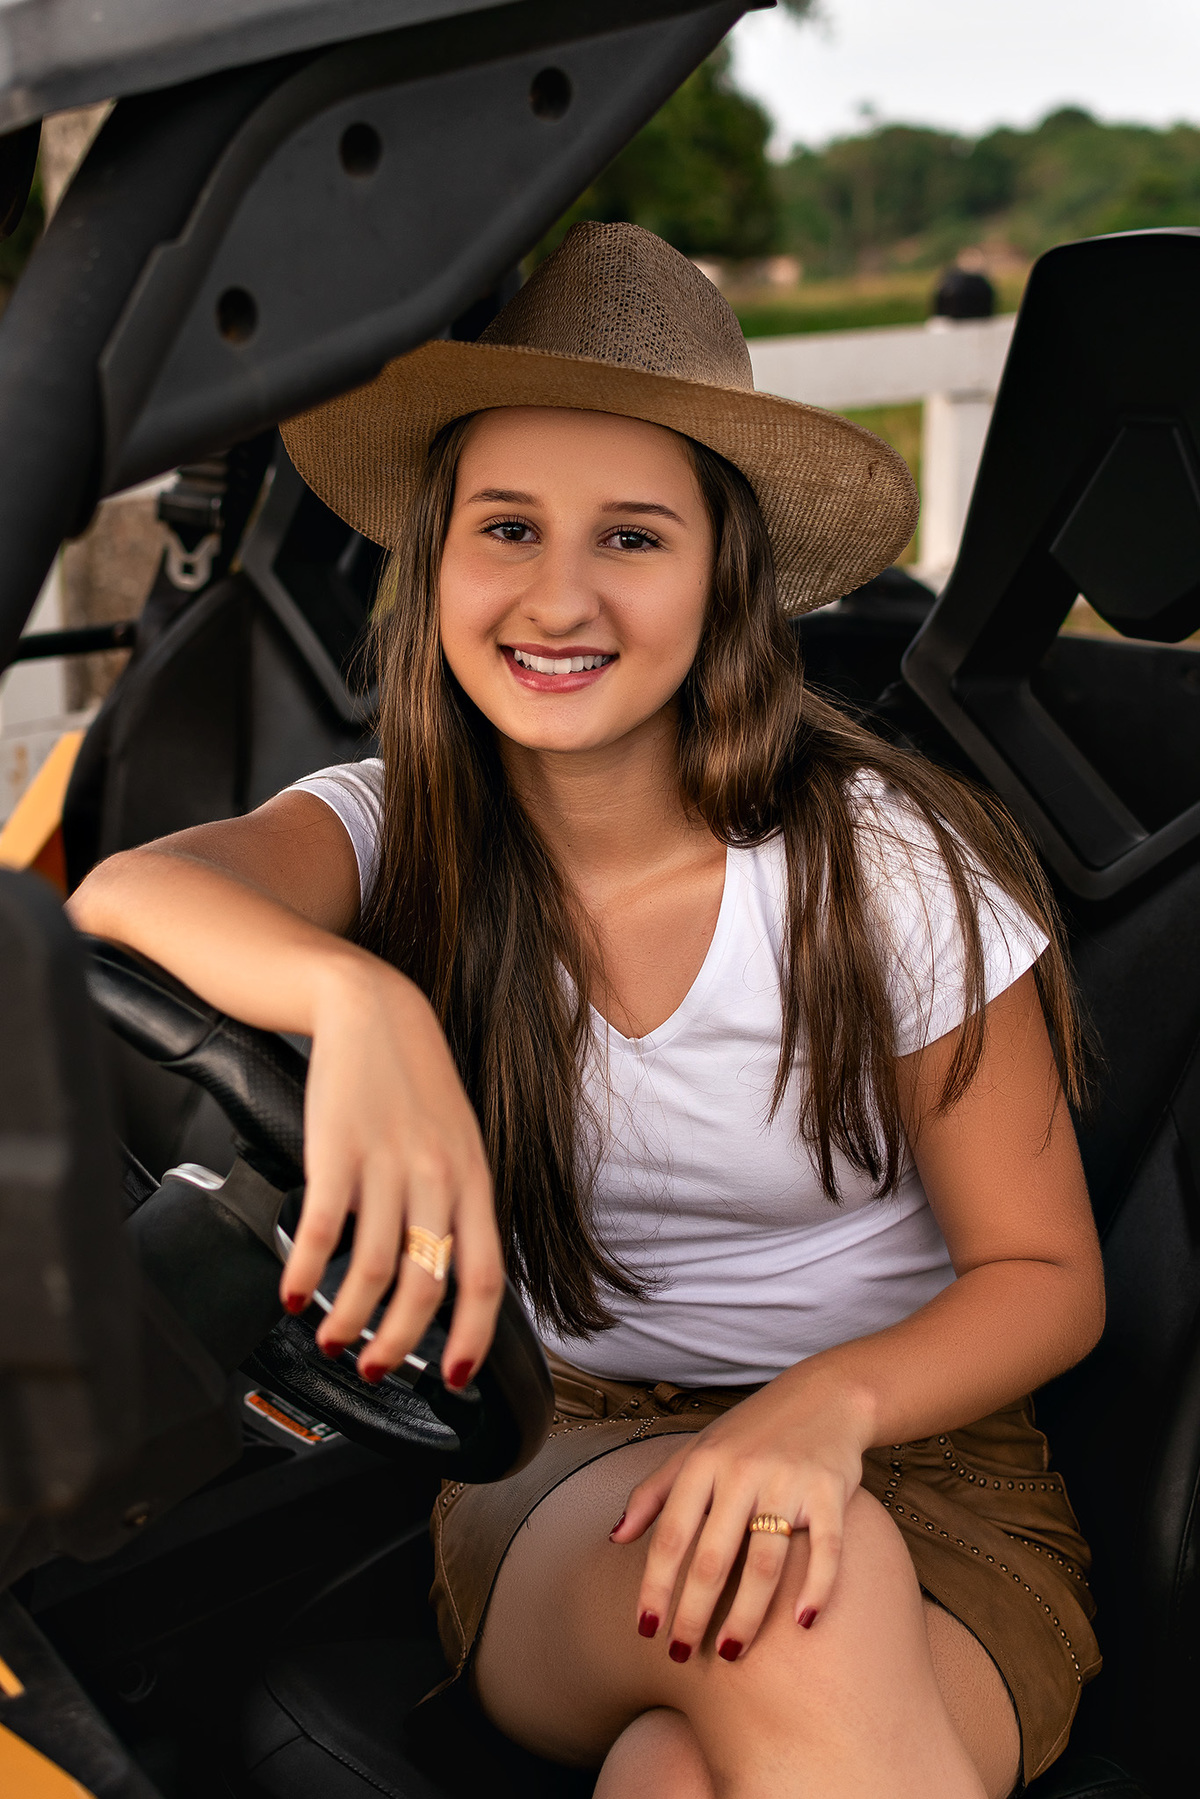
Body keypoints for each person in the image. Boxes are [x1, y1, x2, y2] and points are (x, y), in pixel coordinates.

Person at [70, 223, 1104, 1799]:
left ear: (723, 576)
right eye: (507, 528)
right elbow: (123, 893)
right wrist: (363, 1002)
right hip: (565, 1460)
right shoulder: (394, 833)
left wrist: (819, 1411)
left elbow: (1046, 1277)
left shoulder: (881, 865)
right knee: (786, 1614)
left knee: (675, 1776)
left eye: (631, 536)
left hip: (928, 1462)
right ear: (437, 558)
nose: (559, 597)